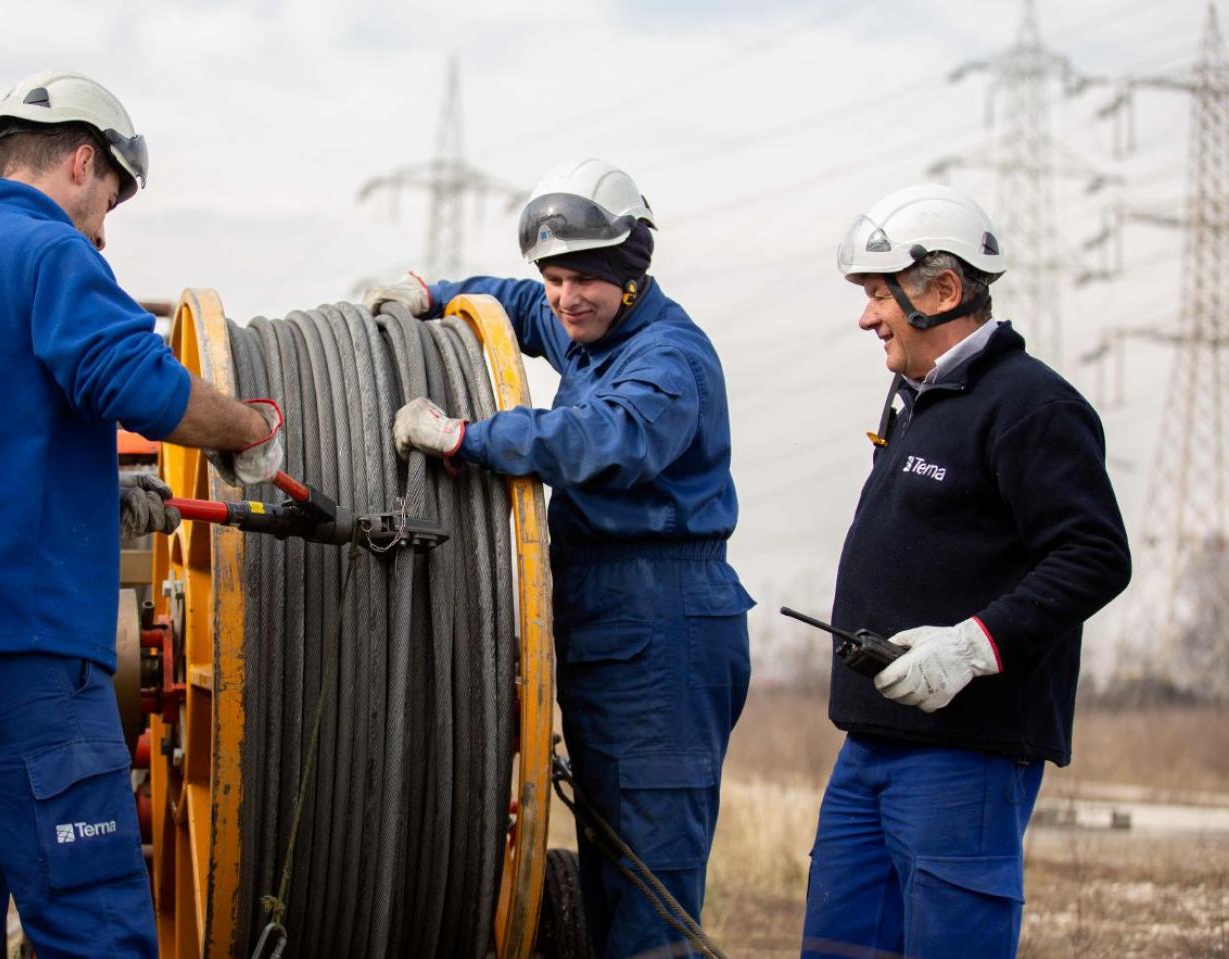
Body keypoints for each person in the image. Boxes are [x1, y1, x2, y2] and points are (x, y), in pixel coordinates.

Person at [0, 71, 283, 958]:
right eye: (110, 198)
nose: (104, 225)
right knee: (97, 930)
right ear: (79, 161)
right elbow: (135, 381)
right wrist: (245, 432)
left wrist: (100, 498)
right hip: (28, 663)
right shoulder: (50, 253)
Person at [369, 158, 753, 958]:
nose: (564, 297)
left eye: (584, 278)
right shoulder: (584, 327)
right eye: (553, 276)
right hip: (610, 620)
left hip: (667, 625)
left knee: (654, 882)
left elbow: (595, 441)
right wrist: (439, 294)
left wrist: (468, 437)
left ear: (630, 272)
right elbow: (513, 307)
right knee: (613, 859)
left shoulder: (667, 362)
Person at [801, 184, 1132, 959]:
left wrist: (971, 645)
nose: (865, 315)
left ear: (944, 290)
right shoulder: (913, 397)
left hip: (964, 757)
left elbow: (1095, 555)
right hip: (870, 748)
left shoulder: (1031, 405)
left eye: (879, 294)